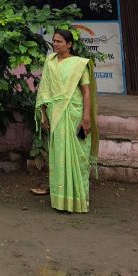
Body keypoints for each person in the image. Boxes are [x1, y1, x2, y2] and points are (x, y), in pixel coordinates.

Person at [35, 28, 98, 213]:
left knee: (77, 157)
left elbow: (86, 92)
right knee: (58, 156)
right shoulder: (50, 62)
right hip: (55, 114)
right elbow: (45, 91)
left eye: (59, 41)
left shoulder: (79, 64)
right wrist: (44, 114)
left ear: (69, 44)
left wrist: (86, 118)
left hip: (74, 113)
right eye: (54, 41)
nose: (55, 44)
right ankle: (61, 200)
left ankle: (78, 200)